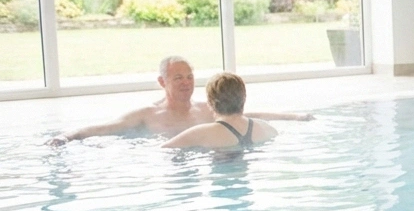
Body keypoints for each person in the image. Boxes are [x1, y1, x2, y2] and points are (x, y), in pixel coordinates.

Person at [45, 56, 312, 145]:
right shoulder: (147, 115)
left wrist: (294, 116)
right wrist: (68, 136)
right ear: (162, 82)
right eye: (178, 78)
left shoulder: (206, 110)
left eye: (190, 76)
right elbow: (105, 129)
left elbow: (244, 115)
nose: (186, 83)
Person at [164, 73, 279, 149]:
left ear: (210, 102)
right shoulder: (267, 129)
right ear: (244, 98)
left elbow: (165, 150)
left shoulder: (199, 133)